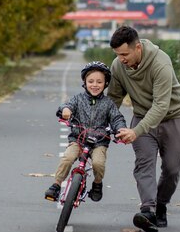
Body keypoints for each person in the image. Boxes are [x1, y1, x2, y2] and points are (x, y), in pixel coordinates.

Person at [108, 26, 180, 232]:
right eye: (117, 55)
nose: (121, 59)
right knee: (144, 164)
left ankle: (161, 203)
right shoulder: (118, 66)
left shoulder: (160, 63)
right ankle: (148, 210)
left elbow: (161, 106)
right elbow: (114, 98)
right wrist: (100, 121)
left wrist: (135, 131)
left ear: (138, 47)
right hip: (142, 116)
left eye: (125, 54)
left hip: (173, 117)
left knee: (172, 169)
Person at [45, 61, 127, 203]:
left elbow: (117, 118)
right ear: (85, 82)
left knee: (98, 164)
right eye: (91, 81)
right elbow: (67, 105)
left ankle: (97, 183)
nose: (95, 85)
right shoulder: (78, 99)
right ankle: (56, 185)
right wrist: (65, 111)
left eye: (99, 82)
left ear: (105, 84)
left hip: (99, 142)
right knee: (68, 158)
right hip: (78, 138)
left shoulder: (108, 103)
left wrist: (120, 129)